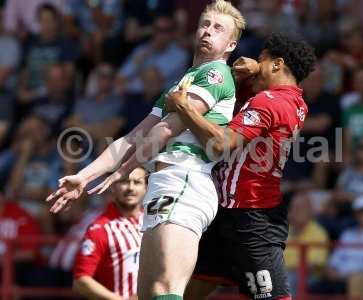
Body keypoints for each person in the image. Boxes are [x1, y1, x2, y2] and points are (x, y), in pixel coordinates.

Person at [46, 1, 246, 299]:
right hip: (163, 184)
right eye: (204, 24)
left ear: (231, 44)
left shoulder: (216, 74)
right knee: (150, 294)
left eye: (218, 28)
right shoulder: (183, 80)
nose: (207, 31)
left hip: (186, 180)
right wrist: (84, 177)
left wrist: (123, 172)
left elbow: (165, 131)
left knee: (166, 290)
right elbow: (132, 137)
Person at [165, 33, 316, 300]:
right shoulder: (297, 103)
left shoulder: (269, 102)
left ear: (277, 64)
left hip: (252, 217)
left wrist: (185, 107)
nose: (255, 66)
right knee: (192, 288)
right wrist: (257, 68)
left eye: (262, 59)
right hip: (229, 211)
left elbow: (222, 144)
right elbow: (251, 92)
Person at [73, 168, 147, 300]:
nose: (130, 188)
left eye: (137, 182)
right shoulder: (99, 229)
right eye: (124, 182)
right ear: (112, 186)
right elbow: (80, 282)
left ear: (146, 187)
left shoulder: (155, 223)